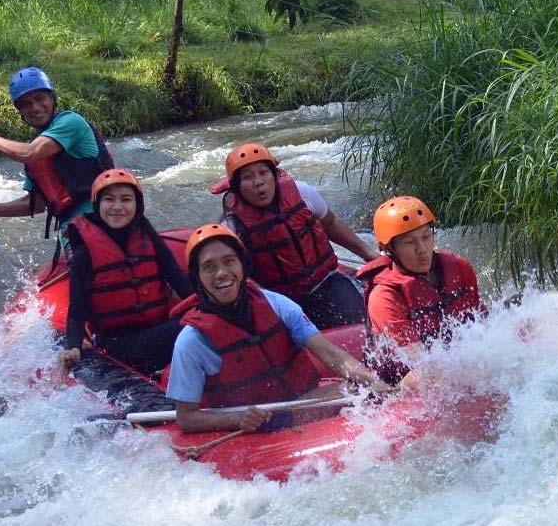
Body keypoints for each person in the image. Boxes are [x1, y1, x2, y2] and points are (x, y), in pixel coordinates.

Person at [165, 224, 389, 434]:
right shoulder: (191, 341)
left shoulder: (276, 305)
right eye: (209, 267)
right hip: (250, 430)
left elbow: (329, 353)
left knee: (357, 391)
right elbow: (186, 418)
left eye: (229, 261)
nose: (221, 273)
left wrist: (371, 381)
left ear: (243, 266)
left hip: (299, 406)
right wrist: (236, 419)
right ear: (198, 278)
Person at [211, 142, 379, 330]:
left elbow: (330, 223)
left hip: (325, 282)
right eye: (248, 177)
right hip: (280, 300)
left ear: (274, 175)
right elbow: (241, 277)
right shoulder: (231, 226)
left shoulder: (301, 192)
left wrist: (369, 255)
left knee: (359, 329)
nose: (258, 182)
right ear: (237, 187)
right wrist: (273, 306)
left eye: (263, 173)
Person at [0, 66, 114, 257]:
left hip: (103, 217)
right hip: (73, 228)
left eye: (40, 98)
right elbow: (36, 204)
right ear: (20, 112)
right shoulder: (36, 149)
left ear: (52, 98)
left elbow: (30, 153)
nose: (34, 107)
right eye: (25, 104)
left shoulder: (70, 122)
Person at [58, 169, 193, 377]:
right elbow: (77, 308)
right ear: (97, 204)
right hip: (119, 344)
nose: (118, 207)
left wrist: (208, 305)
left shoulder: (146, 233)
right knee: (193, 326)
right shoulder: (85, 253)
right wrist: (74, 346)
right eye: (109, 199)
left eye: (126, 199)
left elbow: (175, 276)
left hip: (158, 328)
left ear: (137, 205)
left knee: (202, 319)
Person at [355, 196, 484, 385]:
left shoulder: (460, 268)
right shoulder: (384, 297)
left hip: (453, 362)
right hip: (400, 383)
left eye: (426, 236)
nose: (422, 249)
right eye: (409, 242)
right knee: (425, 375)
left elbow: (477, 323)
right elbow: (421, 362)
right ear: (389, 250)